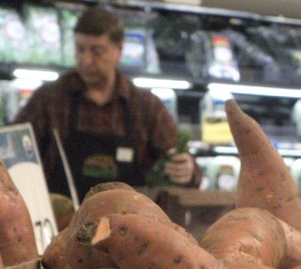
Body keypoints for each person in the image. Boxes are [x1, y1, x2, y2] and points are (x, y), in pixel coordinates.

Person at [13, 5, 202, 202]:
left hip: (129, 225)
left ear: (119, 50)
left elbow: (188, 170)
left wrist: (186, 169)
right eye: (80, 49)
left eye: (97, 51)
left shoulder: (146, 107)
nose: (86, 60)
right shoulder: (50, 99)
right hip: (62, 224)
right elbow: (12, 152)